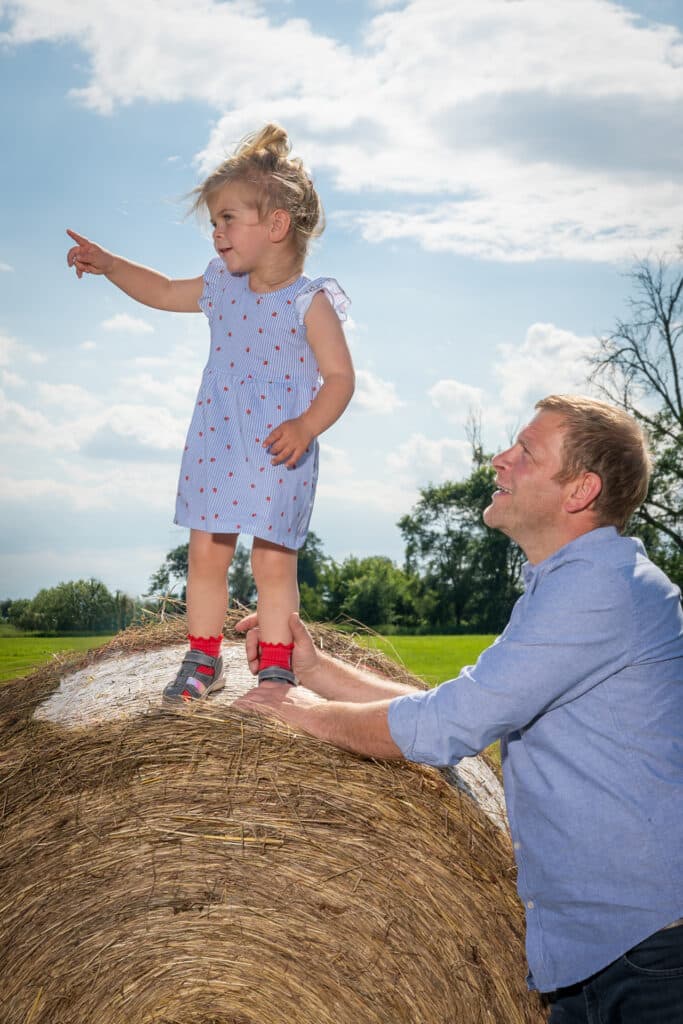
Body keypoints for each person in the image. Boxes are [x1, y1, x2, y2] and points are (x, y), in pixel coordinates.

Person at [234, 394, 683, 1024]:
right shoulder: (570, 586)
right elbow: (461, 708)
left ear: (580, 490)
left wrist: (297, 709)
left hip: (649, 957)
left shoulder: (599, 591)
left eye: (526, 452)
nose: (499, 460)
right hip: (600, 950)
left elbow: (447, 726)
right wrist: (315, 671)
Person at [67, 123, 354, 702]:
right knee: (206, 553)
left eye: (228, 219)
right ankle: (202, 658)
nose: (217, 232)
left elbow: (341, 379)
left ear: (275, 226)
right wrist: (110, 264)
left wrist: (307, 426)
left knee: (273, 565)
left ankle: (276, 668)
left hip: (280, 447)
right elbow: (168, 290)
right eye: (215, 221)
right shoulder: (221, 284)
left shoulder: (310, 300)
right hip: (219, 441)